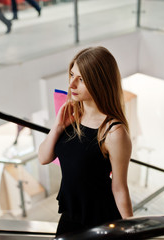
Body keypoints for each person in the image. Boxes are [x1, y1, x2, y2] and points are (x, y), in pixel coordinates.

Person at [38, 46, 133, 236]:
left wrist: (132, 229)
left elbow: (119, 187)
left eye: (81, 79)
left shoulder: (114, 132)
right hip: (71, 213)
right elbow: (43, 157)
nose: (71, 84)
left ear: (100, 82)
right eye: (72, 75)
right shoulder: (71, 115)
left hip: (100, 218)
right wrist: (57, 127)